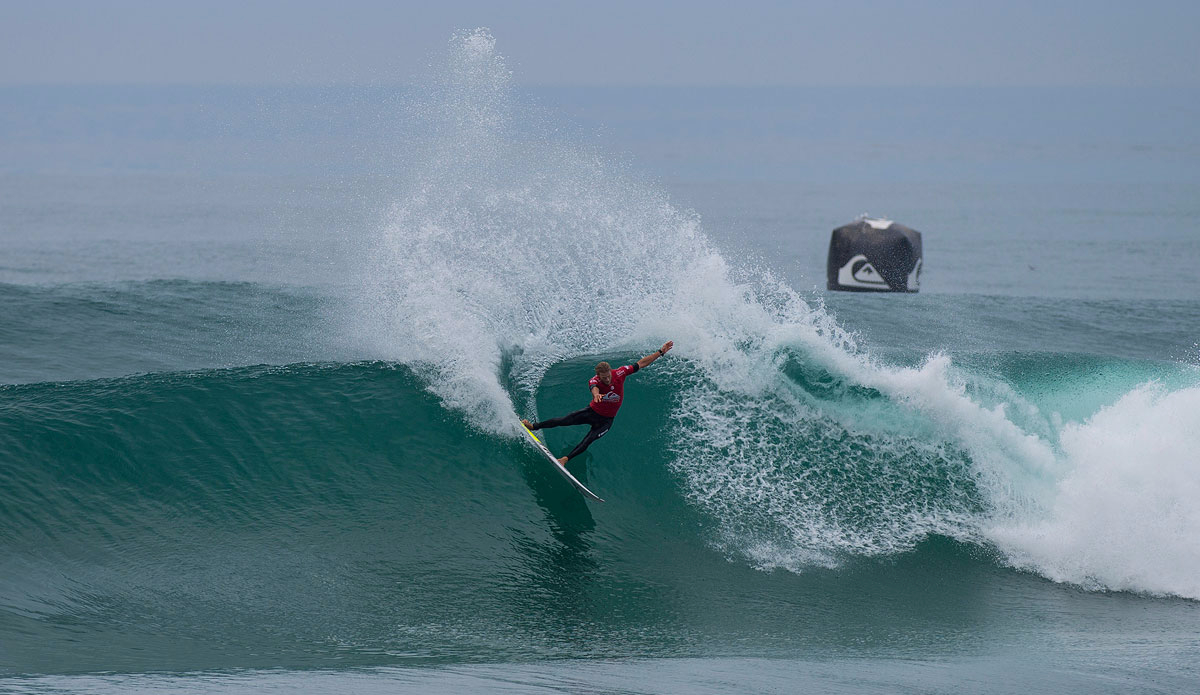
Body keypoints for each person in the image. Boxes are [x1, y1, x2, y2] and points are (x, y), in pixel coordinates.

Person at [522, 341, 674, 465]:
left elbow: (641, 363)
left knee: (589, 439)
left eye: (608, 376)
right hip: (591, 412)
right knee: (563, 420)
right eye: (604, 378)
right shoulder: (595, 380)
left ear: (610, 372)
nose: (607, 379)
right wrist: (596, 395)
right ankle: (533, 426)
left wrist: (660, 352)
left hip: (606, 421)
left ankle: (564, 459)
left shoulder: (620, 373)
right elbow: (593, 388)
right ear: (598, 375)